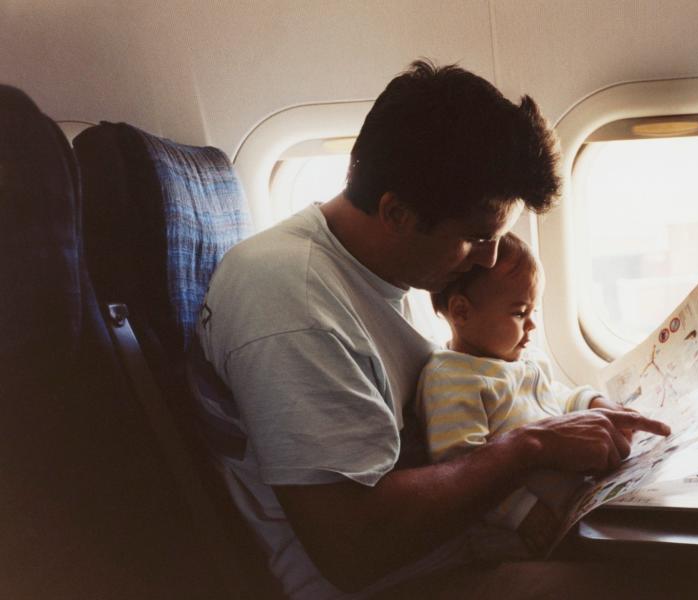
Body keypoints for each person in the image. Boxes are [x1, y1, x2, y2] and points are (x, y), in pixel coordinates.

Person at [195, 60, 670, 599]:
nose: (488, 260)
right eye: (475, 238)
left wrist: (575, 415)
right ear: (396, 213)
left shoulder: (385, 273)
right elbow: (353, 549)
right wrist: (530, 447)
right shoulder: (290, 300)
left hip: (459, 548)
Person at [418, 233, 662, 557]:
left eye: (533, 310)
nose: (532, 325)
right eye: (520, 313)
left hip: (570, 508)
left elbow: (554, 398)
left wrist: (593, 403)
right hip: (515, 535)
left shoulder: (521, 360)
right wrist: (523, 513)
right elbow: (461, 469)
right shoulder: (451, 379)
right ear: (461, 312)